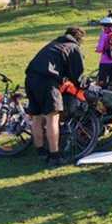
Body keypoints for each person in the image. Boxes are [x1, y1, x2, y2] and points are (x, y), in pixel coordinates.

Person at [25, 27, 86, 167]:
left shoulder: (53, 44)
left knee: (36, 117)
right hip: (47, 81)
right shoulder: (73, 47)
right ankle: (55, 156)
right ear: (79, 39)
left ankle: (40, 151)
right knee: (52, 117)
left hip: (30, 78)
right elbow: (77, 76)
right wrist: (84, 84)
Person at [95, 17, 112, 87]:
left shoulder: (104, 35)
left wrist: (97, 49)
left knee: (102, 81)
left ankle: (104, 95)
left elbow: (100, 48)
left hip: (106, 62)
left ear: (105, 26)